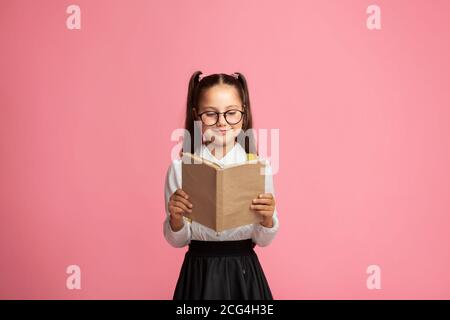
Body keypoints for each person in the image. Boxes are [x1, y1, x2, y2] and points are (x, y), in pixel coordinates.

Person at [163, 71, 279, 299]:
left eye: (231, 113)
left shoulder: (258, 167)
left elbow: (263, 240)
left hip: (244, 274)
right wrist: (175, 219)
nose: (222, 122)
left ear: (243, 115)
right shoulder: (180, 168)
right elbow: (178, 241)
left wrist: (267, 218)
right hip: (199, 272)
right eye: (211, 114)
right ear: (197, 116)